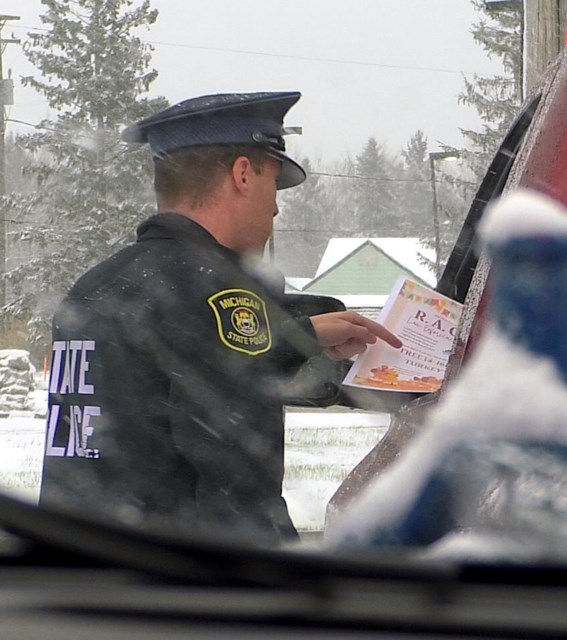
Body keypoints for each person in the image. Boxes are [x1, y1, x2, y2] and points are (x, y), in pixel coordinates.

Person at [38, 92, 401, 546]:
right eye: (273, 184)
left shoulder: (99, 284)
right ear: (243, 174)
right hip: (189, 581)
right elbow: (232, 464)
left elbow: (181, 379)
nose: (275, 208)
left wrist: (307, 339)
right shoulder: (213, 290)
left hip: (82, 565)